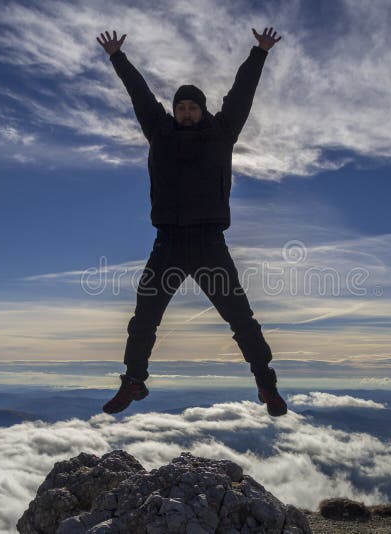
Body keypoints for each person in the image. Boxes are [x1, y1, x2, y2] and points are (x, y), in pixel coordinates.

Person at [96, 28, 287, 416]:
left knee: (240, 318)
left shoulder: (222, 133)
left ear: (202, 111)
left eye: (192, 107)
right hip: (168, 243)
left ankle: (266, 385)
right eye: (181, 107)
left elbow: (241, 94)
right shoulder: (158, 132)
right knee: (144, 319)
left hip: (209, 244)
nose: (186, 112)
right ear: (174, 111)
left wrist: (259, 53)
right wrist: (118, 57)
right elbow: (140, 95)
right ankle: (134, 382)